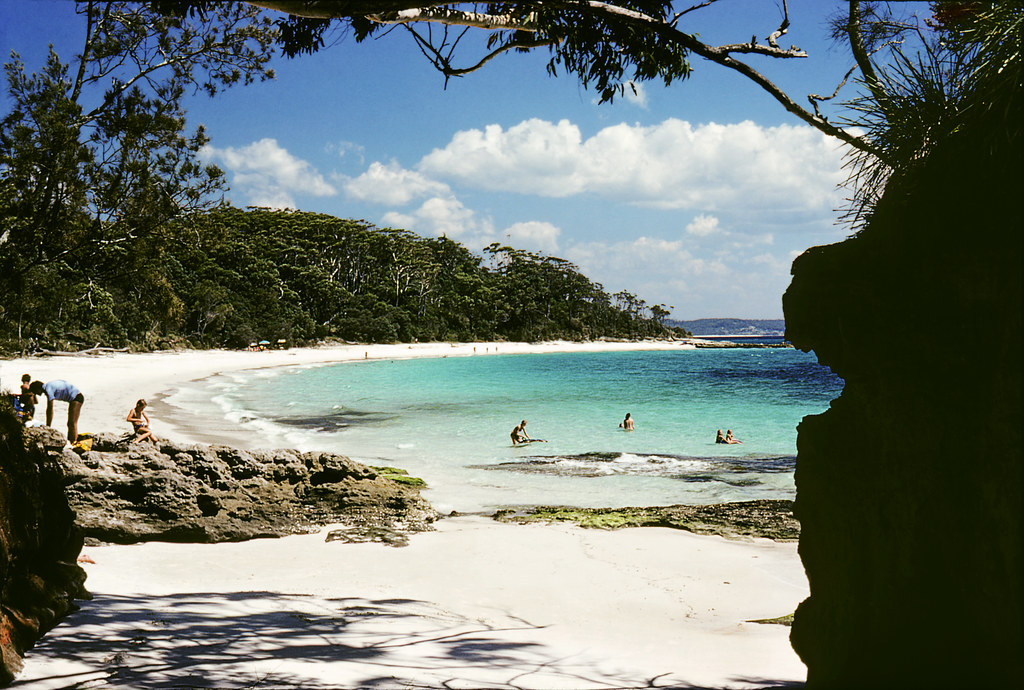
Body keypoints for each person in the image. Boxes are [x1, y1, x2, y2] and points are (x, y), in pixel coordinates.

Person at [29, 379, 84, 444]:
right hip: (75, 398)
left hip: (76, 397)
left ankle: (74, 442)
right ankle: (71, 442)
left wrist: (48, 426)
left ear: (38, 389)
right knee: (70, 423)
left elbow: (50, 409)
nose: (37, 394)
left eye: (35, 392)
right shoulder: (48, 386)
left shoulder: (48, 389)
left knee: (72, 423)